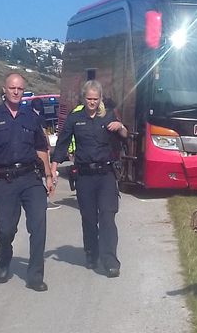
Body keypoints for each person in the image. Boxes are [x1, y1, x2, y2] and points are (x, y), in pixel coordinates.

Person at [0, 72, 53, 292]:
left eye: (20, 89)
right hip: (6, 181)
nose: (16, 92)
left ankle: (35, 275)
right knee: (6, 229)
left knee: (38, 225)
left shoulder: (31, 117)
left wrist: (48, 175)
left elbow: (41, 148)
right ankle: (4, 257)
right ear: (4, 90)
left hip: (31, 178)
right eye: (12, 88)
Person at [50, 80, 128, 278]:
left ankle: (110, 260)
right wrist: (53, 168)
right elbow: (62, 143)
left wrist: (120, 126)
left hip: (106, 175)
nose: (92, 102)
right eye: (89, 99)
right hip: (85, 175)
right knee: (89, 218)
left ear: (100, 98)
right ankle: (92, 253)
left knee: (108, 217)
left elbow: (125, 135)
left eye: (96, 99)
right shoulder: (74, 119)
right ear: (83, 99)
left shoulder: (109, 116)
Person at [30, 98, 61, 210]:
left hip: (29, 151)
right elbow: (44, 133)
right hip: (40, 149)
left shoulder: (27, 116)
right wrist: (48, 145)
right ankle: (46, 199)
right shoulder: (40, 118)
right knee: (46, 172)